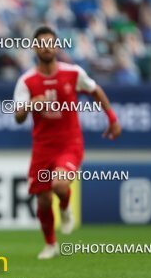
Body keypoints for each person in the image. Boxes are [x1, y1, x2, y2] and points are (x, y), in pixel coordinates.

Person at [13, 26, 121, 260]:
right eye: (41, 43)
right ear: (35, 47)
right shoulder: (26, 81)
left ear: (56, 46)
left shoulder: (72, 73)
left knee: (60, 185)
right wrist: (31, 104)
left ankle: (64, 207)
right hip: (42, 147)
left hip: (69, 143)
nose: (46, 47)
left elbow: (95, 90)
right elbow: (18, 117)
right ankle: (51, 244)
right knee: (42, 199)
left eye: (50, 43)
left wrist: (112, 118)